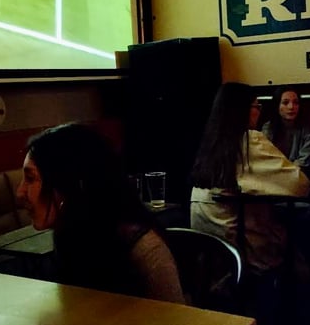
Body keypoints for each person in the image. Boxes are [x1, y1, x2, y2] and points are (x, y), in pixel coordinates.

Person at [14, 123, 185, 303]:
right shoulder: (70, 236)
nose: (20, 192)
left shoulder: (144, 249)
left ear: (71, 184)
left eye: (31, 178)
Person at [190, 83, 310, 325]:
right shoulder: (249, 140)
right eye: (256, 106)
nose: (259, 111)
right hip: (246, 252)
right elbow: (300, 185)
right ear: (243, 111)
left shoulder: (211, 142)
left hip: (211, 258)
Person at [261, 86, 310, 180]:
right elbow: (265, 158)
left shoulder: (307, 129)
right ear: (277, 105)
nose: (291, 107)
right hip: (273, 176)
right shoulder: (268, 128)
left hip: (298, 176)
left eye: (296, 103)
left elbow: (304, 161)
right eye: (285, 103)